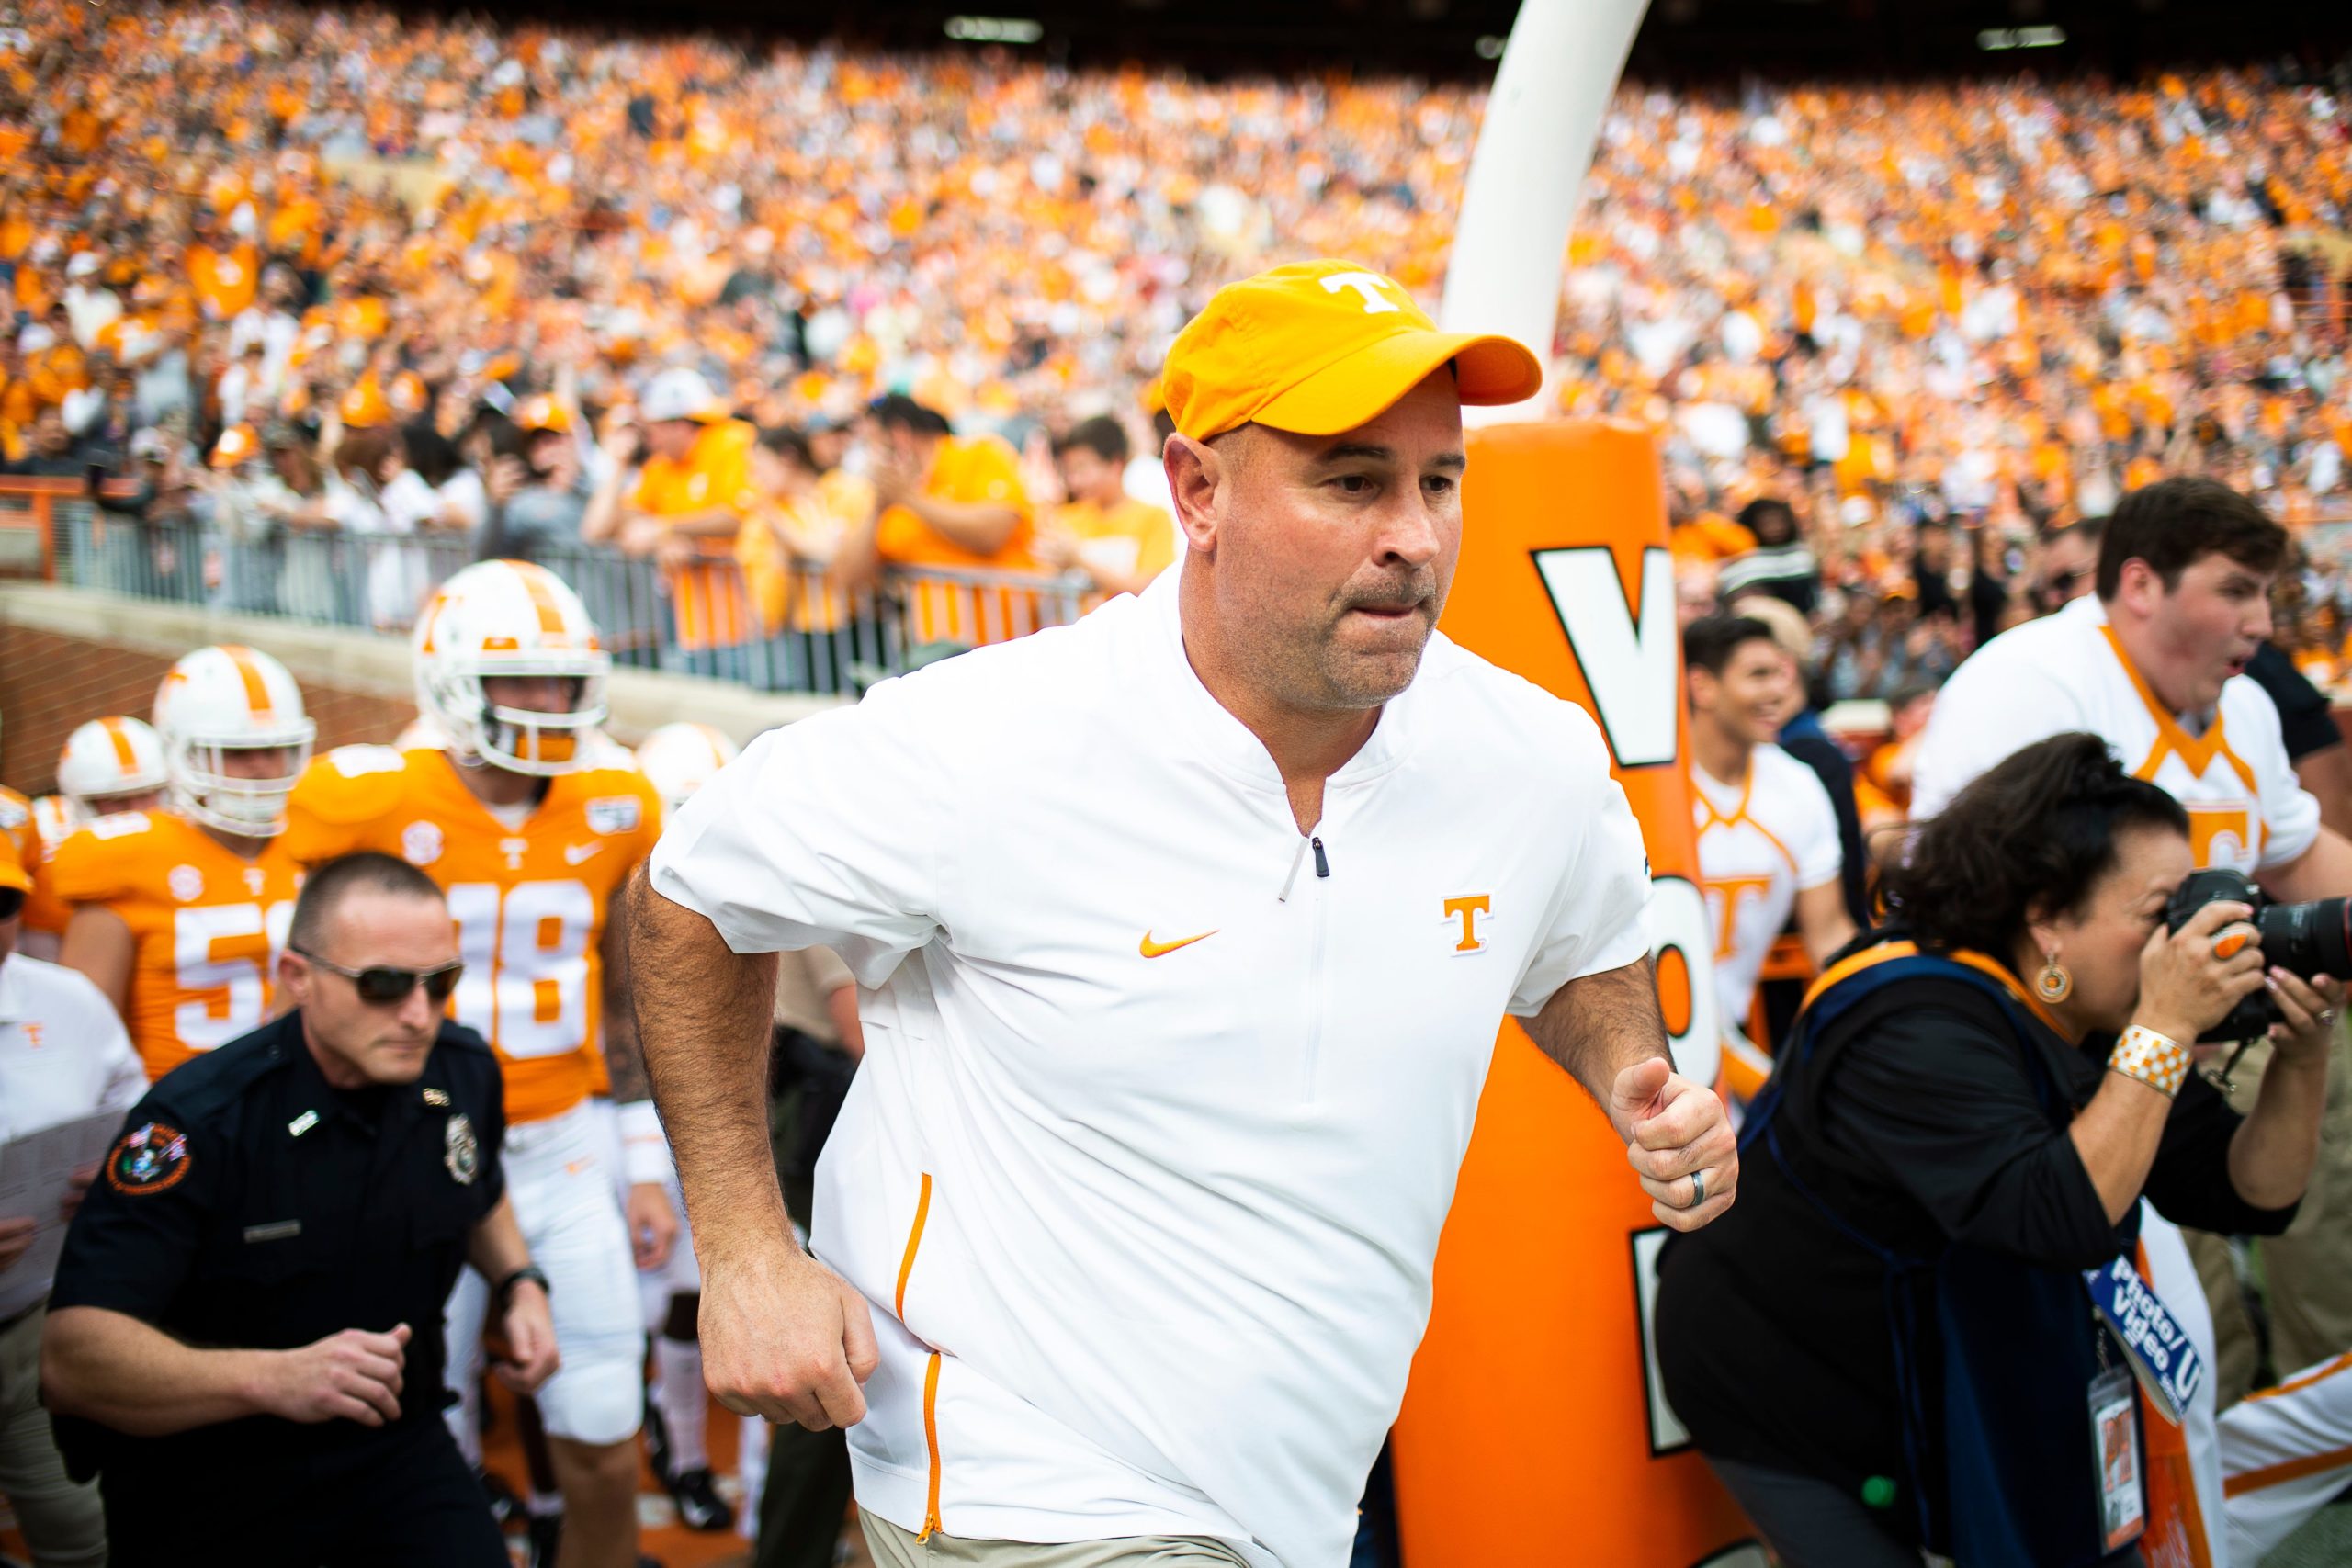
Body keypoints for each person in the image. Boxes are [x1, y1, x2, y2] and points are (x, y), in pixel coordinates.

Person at [630, 258, 1735, 1567]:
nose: (1415, 534)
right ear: (1197, 490)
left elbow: (1575, 946)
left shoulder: (1531, 753)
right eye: (1352, 480)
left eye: (1439, 482)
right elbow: (689, 894)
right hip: (1020, 1476)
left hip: (1295, 1490)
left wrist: (1628, 1071)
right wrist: (749, 1248)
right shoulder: (996, 734)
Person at [1657, 734, 2340, 1568]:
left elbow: (2252, 1195)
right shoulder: (1911, 1016)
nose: (2183, 939)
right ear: (2048, 916)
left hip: (1944, 1358)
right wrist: (2165, 1026)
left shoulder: (2092, 1012)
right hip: (1788, 1381)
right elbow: (2058, 1218)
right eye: (2159, 912)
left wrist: (2303, 1056)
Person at [1911, 475, 2352, 1553]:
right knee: (2136, 1331)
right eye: (2236, 589)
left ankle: (2219, 1484)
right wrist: (2144, 1024)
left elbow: (2297, 853)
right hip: (2068, 1061)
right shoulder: (2029, 683)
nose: (2260, 620)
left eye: (2269, 593)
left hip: (2206, 1039)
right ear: (2140, 584)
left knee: (2263, 1247)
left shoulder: (2242, 706)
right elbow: (1957, 895)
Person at [282, 558, 673, 1568]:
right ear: (450, 681)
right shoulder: (361, 798)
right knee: (412, 1424)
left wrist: (640, 1157)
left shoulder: (619, 799)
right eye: (518, 682)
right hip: (407, 1146)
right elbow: (300, 986)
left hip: (566, 1144)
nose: (545, 704)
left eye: (558, 680)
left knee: (600, 1409)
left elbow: (625, 996)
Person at [40, 852, 560, 1565]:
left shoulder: (461, 1069)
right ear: (297, 977)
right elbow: (74, 1356)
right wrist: (273, 1376)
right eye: (383, 984)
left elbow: (476, 1185)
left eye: (441, 982)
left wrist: (519, 1281)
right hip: (215, 1469)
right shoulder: (199, 1121)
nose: (418, 1014)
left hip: (396, 1444)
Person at [52, 644, 312, 1083]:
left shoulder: (318, 840)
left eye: (274, 748)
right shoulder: (127, 857)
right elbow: (81, 1039)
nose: (261, 767)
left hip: (295, 1100)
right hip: (176, 1108)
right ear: (181, 752)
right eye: (233, 752)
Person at [0, 830, 142, 1568]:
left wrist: (118, 1166)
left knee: (83, 1537)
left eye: (1, 902)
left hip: (31, 1323)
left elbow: (135, 1103)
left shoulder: (66, 1000)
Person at [1684, 615, 1856, 1103]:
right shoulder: (1652, 785)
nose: (1780, 689)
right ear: (1702, 685)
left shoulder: (1797, 785)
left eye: (1782, 673)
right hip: (1646, 1034)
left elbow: (1830, 935)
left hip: (1728, 1045)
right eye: (1758, 674)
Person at [584, 367, 760, 678]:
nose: (649, 439)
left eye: (654, 429)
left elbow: (738, 515)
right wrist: (619, 466)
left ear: (679, 424)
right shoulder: (662, 465)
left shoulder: (732, 443)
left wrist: (665, 528)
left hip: (749, 623)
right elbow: (601, 528)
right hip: (694, 627)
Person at [831, 392, 1039, 645]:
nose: (868, 457)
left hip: (1011, 642)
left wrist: (909, 498)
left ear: (899, 434)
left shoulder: (980, 453)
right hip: (938, 654)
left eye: (870, 443)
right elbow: (846, 579)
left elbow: (993, 533)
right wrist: (878, 509)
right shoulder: (887, 498)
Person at [18, 715, 169, 963]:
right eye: (116, 800)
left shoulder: (193, 835)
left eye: (146, 795)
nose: (135, 811)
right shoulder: (47, 844)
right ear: (80, 802)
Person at [1035, 415, 1178, 599]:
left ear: (1115, 465)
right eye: (1068, 471)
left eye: (1082, 468)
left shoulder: (1152, 517)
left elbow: (1147, 590)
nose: (1074, 481)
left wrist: (1078, 560)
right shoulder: (1065, 518)